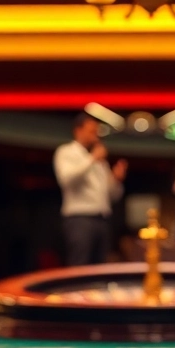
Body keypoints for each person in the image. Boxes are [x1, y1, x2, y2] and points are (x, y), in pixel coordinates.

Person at [54, 114, 127, 266]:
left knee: (100, 268)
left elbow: (112, 196)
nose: (96, 136)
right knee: (79, 266)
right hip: (79, 220)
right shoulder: (66, 152)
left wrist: (116, 179)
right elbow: (66, 179)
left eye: (97, 132)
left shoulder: (100, 161)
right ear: (78, 131)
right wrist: (92, 159)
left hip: (102, 220)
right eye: (91, 131)